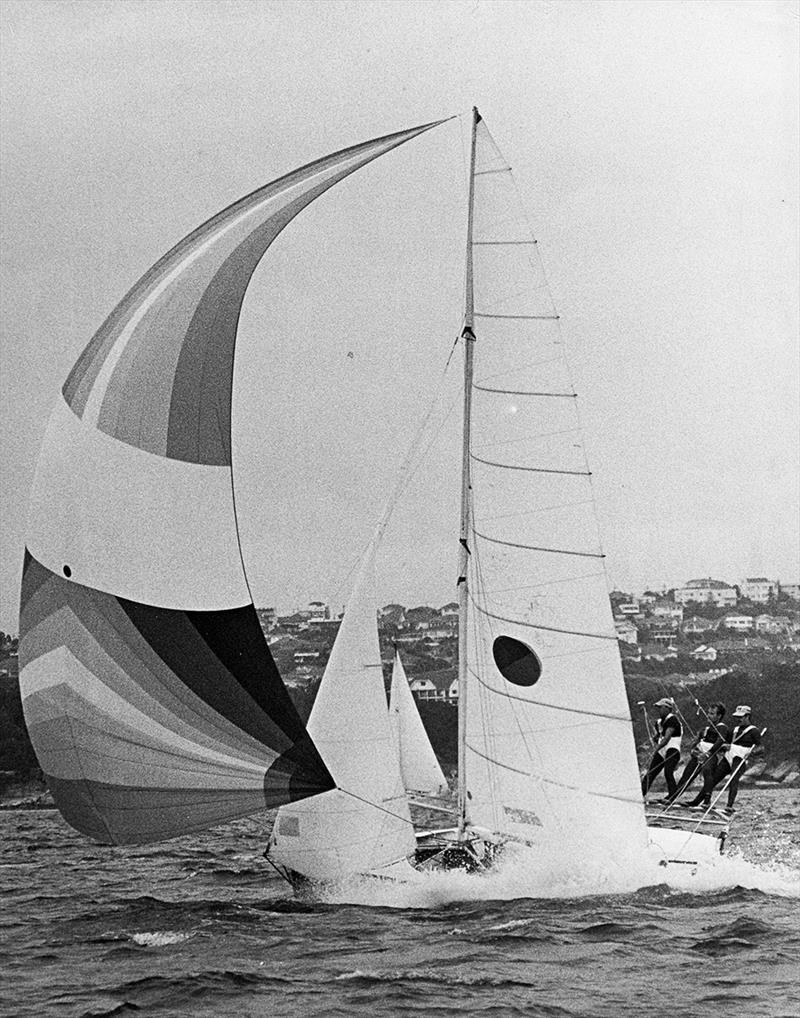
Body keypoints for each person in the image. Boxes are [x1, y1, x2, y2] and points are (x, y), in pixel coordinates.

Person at [685, 704, 763, 812]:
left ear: (747, 717)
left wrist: (751, 752)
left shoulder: (754, 731)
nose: (738, 720)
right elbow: (725, 743)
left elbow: (760, 748)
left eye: (741, 717)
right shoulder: (734, 730)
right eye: (737, 717)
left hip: (740, 758)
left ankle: (729, 805)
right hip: (729, 755)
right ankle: (698, 801)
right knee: (713, 779)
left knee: (733, 779)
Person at [667, 702, 728, 804]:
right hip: (699, 755)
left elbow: (720, 741)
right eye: (708, 713)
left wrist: (708, 753)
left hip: (712, 756)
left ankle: (706, 800)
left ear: (719, 716)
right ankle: (671, 798)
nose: (708, 716)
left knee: (707, 771)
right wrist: (694, 752)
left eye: (712, 714)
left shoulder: (722, 727)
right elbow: (695, 743)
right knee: (686, 775)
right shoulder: (705, 729)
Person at [641, 698, 682, 801]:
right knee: (651, 772)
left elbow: (667, 738)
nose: (658, 710)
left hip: (672, 749)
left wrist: (656, 748)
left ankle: (672, 796)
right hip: (662, 749)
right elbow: (659, 736)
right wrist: (655, 739)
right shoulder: (659, 722)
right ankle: (641, 793)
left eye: (660, 707)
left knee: (668, 772)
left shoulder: (673, 719)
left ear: (667, 708)